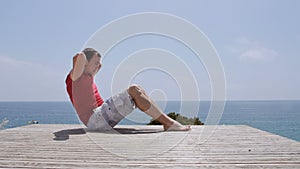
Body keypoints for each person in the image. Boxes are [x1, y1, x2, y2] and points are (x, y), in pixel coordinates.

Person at [65, 48, 190, 131]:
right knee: (134, 89)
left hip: (100, 117)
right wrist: (85, 57)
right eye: (96, 63)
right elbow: (79, 56)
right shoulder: (75, 77)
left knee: (138, 90)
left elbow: (93, 66)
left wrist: (96, 62)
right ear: (85, 63)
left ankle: (168, 122)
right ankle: (169, 123)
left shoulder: (88, 77)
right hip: (95, 119)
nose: (98, 66)